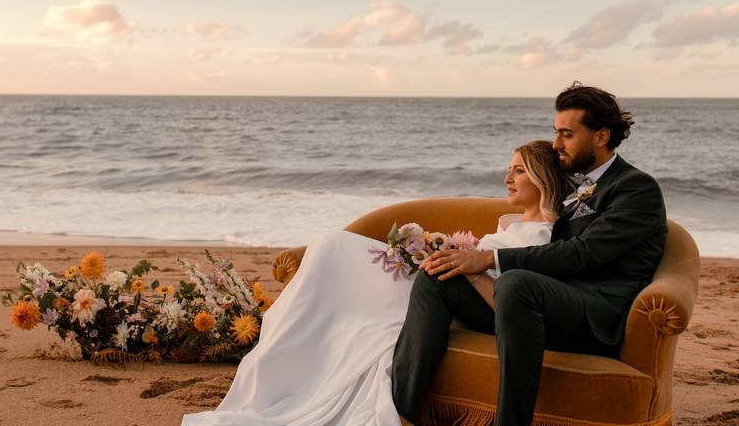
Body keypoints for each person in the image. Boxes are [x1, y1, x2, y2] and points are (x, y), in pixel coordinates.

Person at [181, 140, 567, 426]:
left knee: (339, 251)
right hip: (447, 290)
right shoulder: (512, 225)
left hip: (464, 300)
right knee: (332, 248)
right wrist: (437, 251)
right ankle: (286, 353)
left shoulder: (541, 236)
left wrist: (470, 269)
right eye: (510, 169)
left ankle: (399, 411)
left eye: (518, 170)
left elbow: (511, 302)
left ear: (541, 176)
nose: (507, 178)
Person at [392, 82, 668, 426]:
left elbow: (583, 254)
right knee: (437, 274)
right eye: (556, 133)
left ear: (601, 136)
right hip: (545, 304)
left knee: (517, 284)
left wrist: (487, 260)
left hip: (596, 316)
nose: (556, 144)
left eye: (567, 135)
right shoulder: (578, 185)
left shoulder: (636, 188)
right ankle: (402, 413)